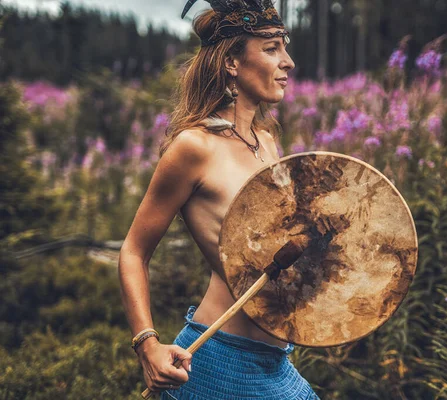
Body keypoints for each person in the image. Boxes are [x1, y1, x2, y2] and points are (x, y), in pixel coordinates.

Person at [118, 0, 319, 399]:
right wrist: (147, 344)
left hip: (275, 361)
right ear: (231, 63)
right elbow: (133, 252)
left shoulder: (267, 141)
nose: (289, 62)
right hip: (215, 363)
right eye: (271, 48)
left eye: (284, 46)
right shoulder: (194, 147)